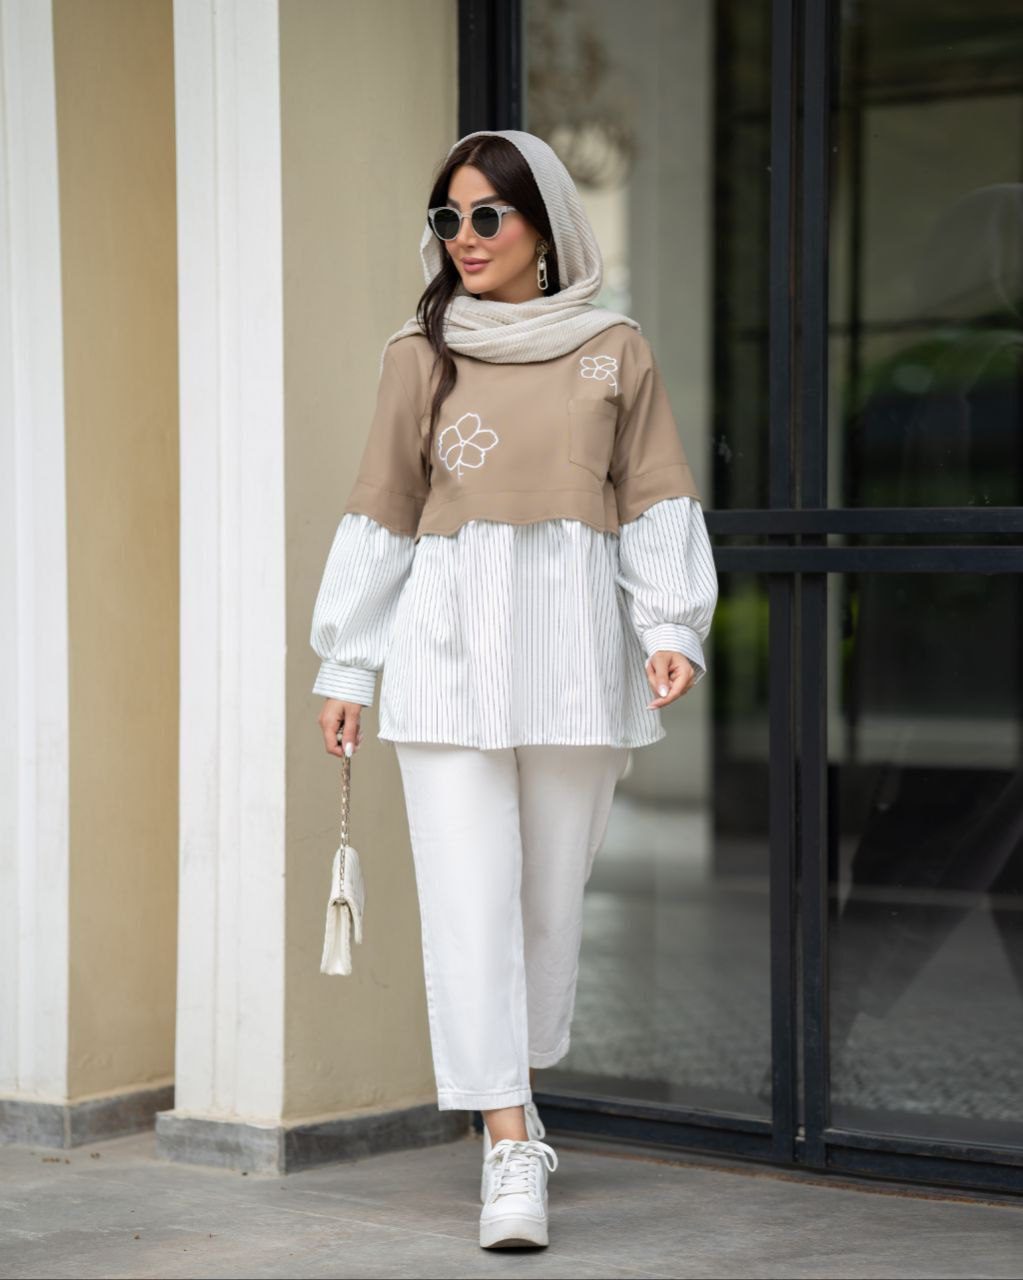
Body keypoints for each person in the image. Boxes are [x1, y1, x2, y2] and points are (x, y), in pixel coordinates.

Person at [309, 129, 718, 1250]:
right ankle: (506, 1144)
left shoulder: (615, 349)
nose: (466, 236)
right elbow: (384, 507)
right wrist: (347, 661)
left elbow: (653, 494)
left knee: (545, 904)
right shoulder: (420, 354)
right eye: (448, 218)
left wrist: (669, 624)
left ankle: (517, 1095)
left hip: (575, 658)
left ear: (545, 227)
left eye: (487, 214)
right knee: (467, 897)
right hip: (445, 654)